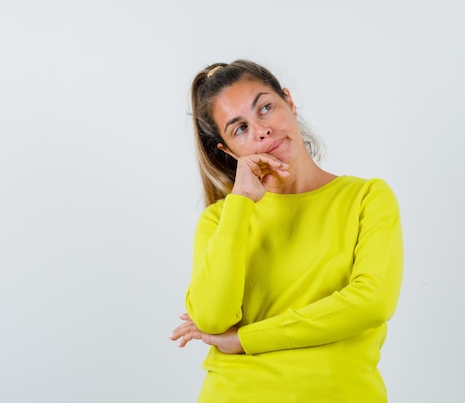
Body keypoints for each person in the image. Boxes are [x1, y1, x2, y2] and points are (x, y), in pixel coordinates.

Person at [170, 59, 403, 402]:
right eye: (240, 129)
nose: (261, 130)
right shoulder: (221, 219)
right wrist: (241, 203)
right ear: (227, 150)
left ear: (289, 102)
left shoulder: (366, 198)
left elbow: (372, 304)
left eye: (265, 108)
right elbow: (212, 318)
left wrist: (247, 339)